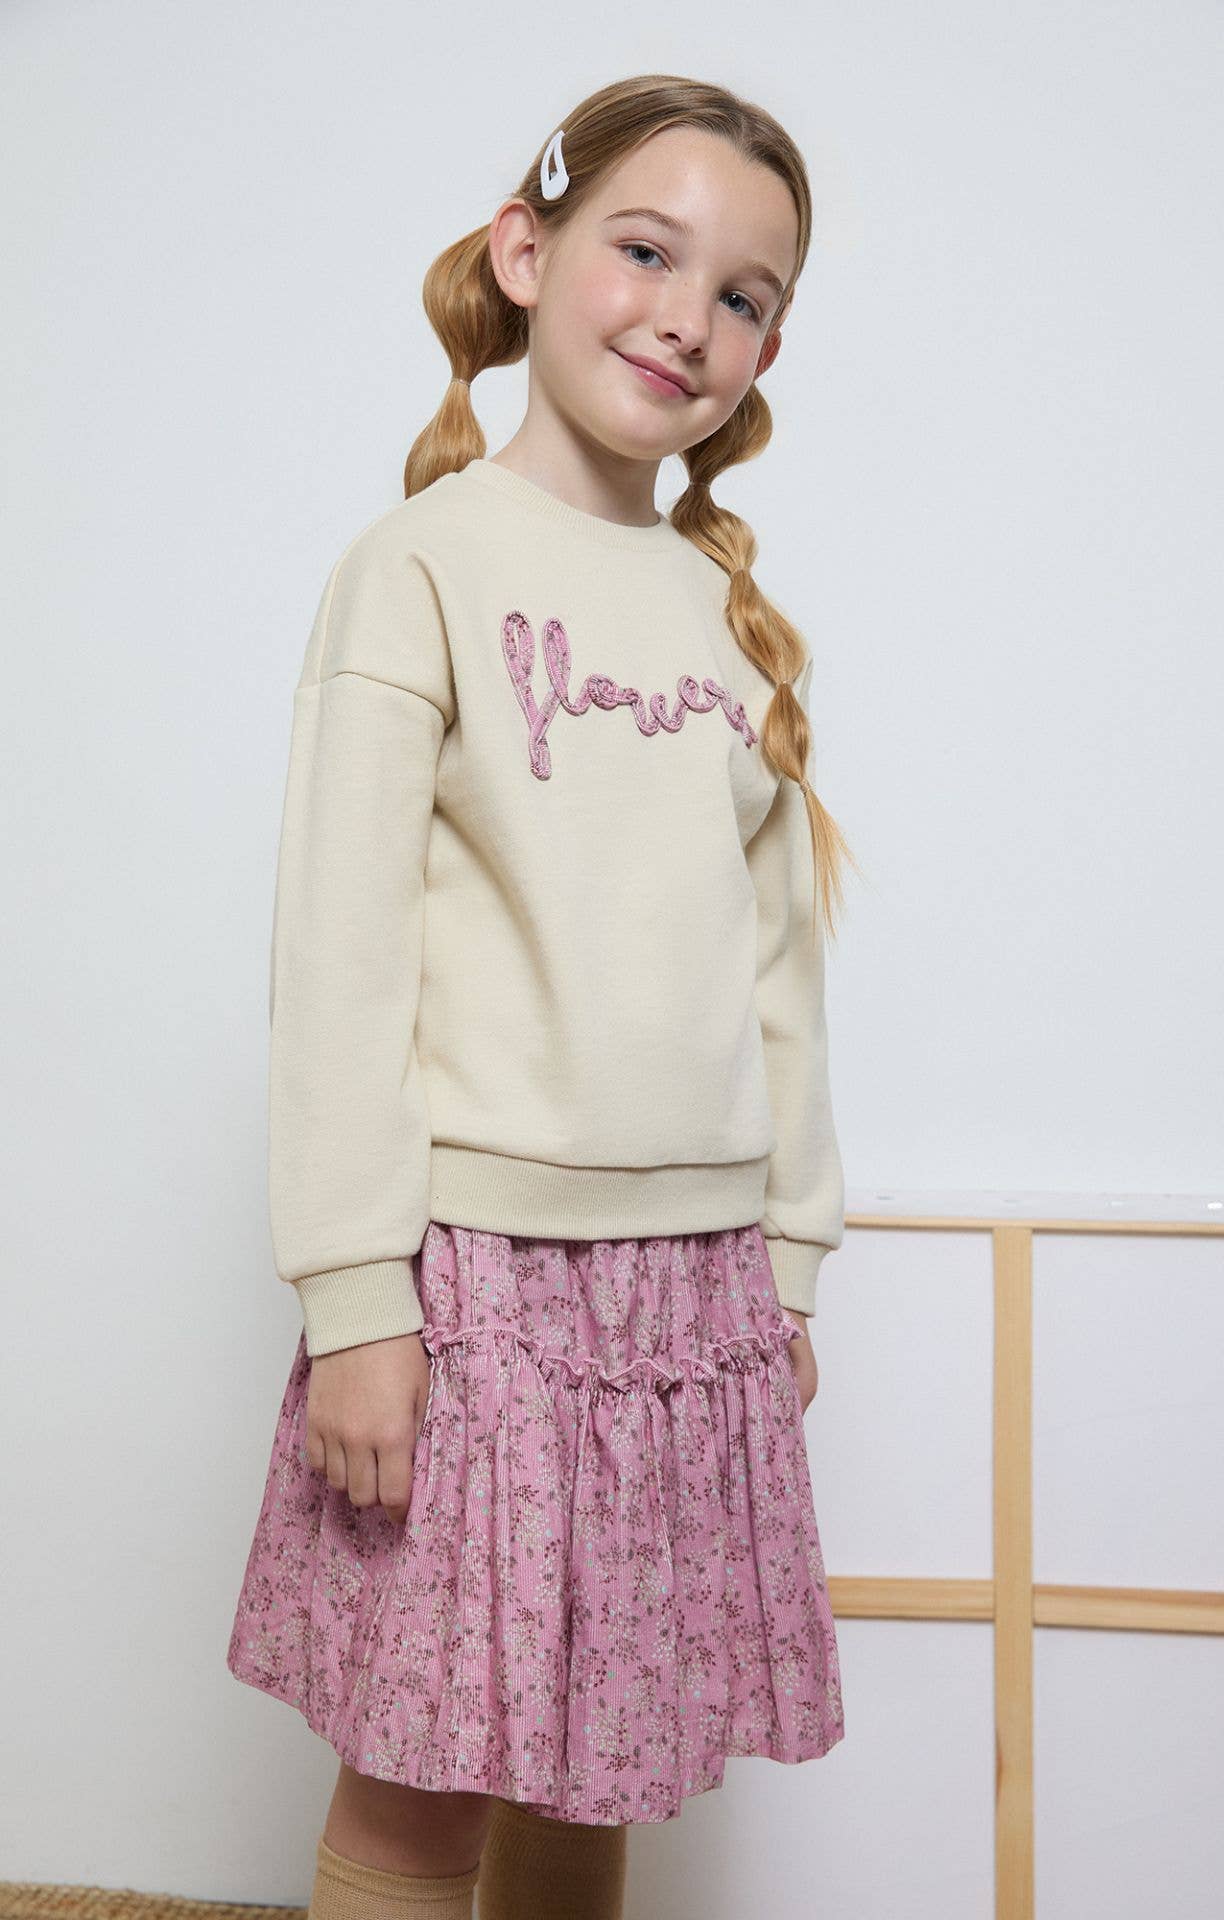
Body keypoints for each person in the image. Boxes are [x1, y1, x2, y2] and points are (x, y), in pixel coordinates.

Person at [225, 72, 859, 1920]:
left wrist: (788, 1265)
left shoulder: (732, 620)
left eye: (743, 294)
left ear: (767, 350)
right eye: (645, 252)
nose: (687, 315)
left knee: (611, 1752)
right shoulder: (416, 570)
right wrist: (358, 1303)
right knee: (423, 1779)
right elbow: (338, 961)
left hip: (695, 1293)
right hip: (476, 1292)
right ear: (525, 250)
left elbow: (781, 980)